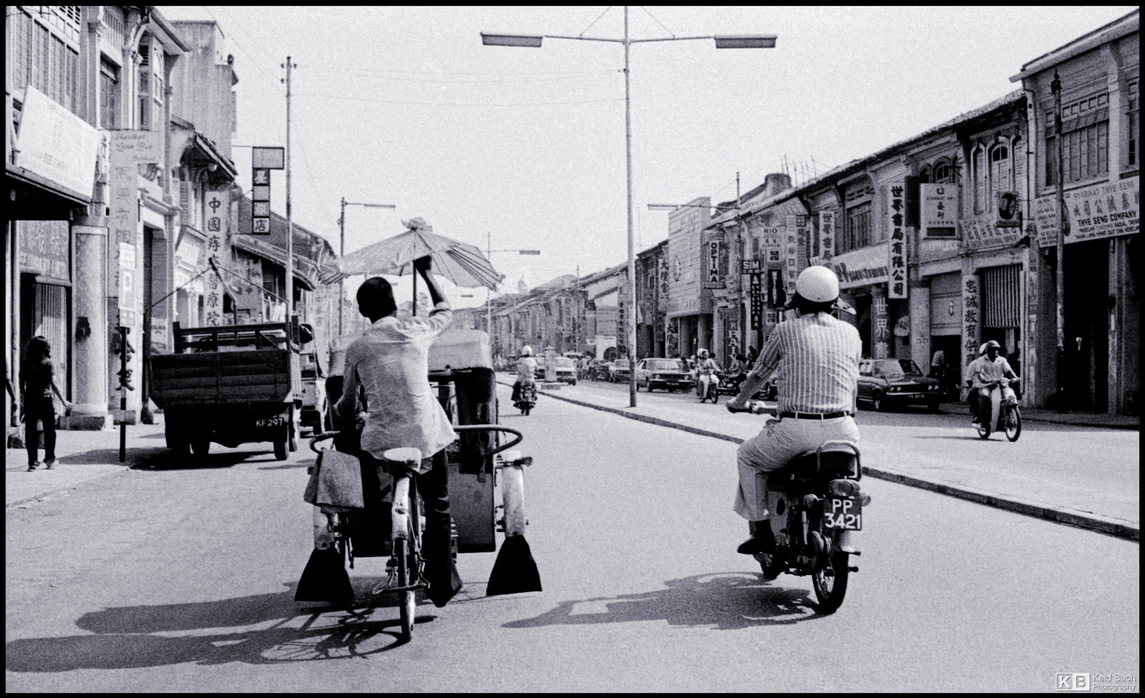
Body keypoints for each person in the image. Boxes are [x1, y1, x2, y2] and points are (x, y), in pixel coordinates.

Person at [333, 256, 462, 608]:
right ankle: (442, 581)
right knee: (438, 505)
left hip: (383, 441)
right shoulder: (416, 330)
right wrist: (426, 272)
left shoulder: (358, 347)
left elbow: (347, 404)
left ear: (364, 312)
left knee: (370, 475)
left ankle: (382, 520)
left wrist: (345, 412)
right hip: (426, 436)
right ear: (395, 305)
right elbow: (446, 310)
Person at [727, 266, 861, 555]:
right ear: (834, 304)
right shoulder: (851, 333)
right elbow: (851, 381)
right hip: (845, 429)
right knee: (845, 482)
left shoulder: (785, 330)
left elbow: (758, 375)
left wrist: (739, 402)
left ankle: (761, 530)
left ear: (797, 303)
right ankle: (844, 534)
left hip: (797, 431)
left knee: (748, 456)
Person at [20, 336, 72, 471]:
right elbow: (53, 383)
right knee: (50, 431)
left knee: (30, 431)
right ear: (46, 348)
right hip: (45, 400)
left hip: (31, 400)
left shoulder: (25, 364)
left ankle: (32, 462)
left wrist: (25, 397)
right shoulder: (49, 363)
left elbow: (21, 385)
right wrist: (63, 400)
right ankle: (50, 459)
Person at [967, 340, 1017, 425]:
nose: (995, 351)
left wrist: (1015, 377)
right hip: (986, 385)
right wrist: (984, 380)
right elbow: (979, 373)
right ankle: (980, 416)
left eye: (997, 349)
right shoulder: (980, 361)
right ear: (987, 351)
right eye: (993, 349)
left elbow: (1008, 371)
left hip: (999, 385)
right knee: (985, 396)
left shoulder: (1002, 360)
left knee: (1009, 395)